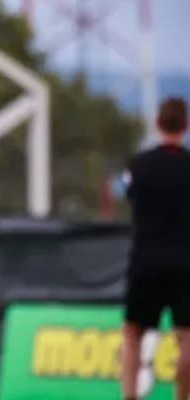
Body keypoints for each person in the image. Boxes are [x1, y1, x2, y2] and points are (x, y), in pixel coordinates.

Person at [120, 96, 190, 400]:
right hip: (186, 262)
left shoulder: (139, 164)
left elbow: (129, 194)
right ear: (186, 126)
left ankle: (130, 397)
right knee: (186, 338)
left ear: (156, 123)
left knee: (133, 333)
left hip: (146, 260)